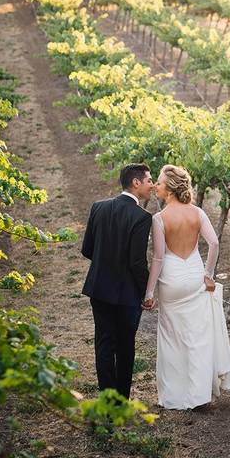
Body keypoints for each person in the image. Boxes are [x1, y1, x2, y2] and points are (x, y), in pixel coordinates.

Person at [143, 164, 230, 409]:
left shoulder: (159, 219)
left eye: (160, 184)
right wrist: (208, 273)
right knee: (197, 338)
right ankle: (199, 395)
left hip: (172, 281)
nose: (156, 187)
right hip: (195, 278)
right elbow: (214, 243)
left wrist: (150, 291)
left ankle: (175, 396)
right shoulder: (197, 213)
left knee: (173, 339)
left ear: (171, 189)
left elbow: (159, 258)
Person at [80, 163, 155, 399]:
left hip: (99, 288)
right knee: (125, 347)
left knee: (103, 344)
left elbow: (87, 249)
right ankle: (121, 401)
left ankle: (106, 400)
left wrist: (106, 262)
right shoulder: (142, 217)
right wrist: (146, 292)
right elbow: (137, 263)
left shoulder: (98, 207)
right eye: (149, 180)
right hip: (126, 294)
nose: (151, 185)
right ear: (136, 183)